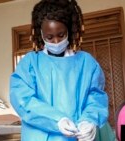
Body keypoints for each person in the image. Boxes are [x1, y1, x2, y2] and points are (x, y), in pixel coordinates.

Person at [9, 0, 109, 141]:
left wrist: (90, 120)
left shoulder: (87, 63)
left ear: (69, 30)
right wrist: (57, 120)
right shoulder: (30, 63)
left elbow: (96, 98)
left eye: (61, 35)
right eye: (49, 37)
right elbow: (23, 100)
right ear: (41, 35)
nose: (56, 41)